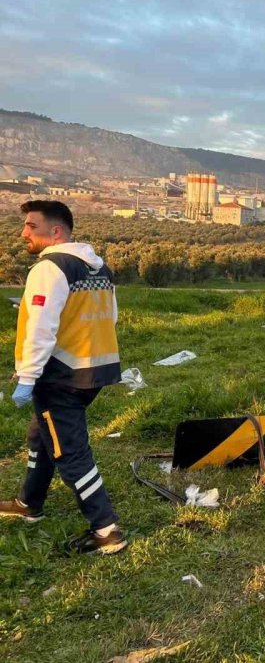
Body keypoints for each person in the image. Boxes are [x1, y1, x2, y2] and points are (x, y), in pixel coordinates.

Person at [0, 200, 126, 554]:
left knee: (70, 452)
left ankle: (106, 530)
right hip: (95, 370)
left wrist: (28, 376)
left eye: (31, 226)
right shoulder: (98, 267)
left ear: (55, 231)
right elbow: (109, 316)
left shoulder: (49, 268)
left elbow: (41, 327)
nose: (23, 233)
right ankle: (29, 502)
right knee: (42, 433)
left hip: (61, 376)